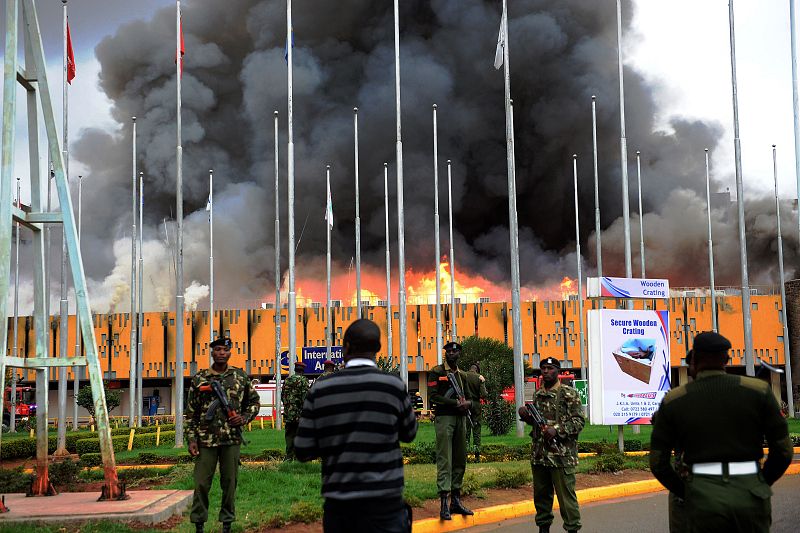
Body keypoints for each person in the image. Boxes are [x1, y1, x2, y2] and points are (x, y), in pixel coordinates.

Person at [650, 331, 793, 533]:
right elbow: (784, 451)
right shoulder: (758, 391)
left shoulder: (675, 400)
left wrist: (688, 492)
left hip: (701, 498)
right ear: (726, 359)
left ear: (695, 360)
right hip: (750, 494)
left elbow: (657, 462)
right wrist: (758, 483)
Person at [294, 319, 418, 533]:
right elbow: (410, 433)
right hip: (386, 505)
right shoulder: (393, 386)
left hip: (340, 509)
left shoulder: (321, 388)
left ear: (346, 347)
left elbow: (303, 449)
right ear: (378, 348)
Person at [186, 337, 260, 533]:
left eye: (224, 350)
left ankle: (227, 522)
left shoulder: (240, 376)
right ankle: (199, 523)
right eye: (217, 349)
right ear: (211, 353)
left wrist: (243, 418)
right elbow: (191, 412)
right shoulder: (200, 379)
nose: (221, 353)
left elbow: (254, 403)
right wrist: (192, 439)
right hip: (205, 440)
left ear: (230, 353)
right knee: (201, 483)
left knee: (229, 483)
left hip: (231, 439)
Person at [518, 357, 584, 533]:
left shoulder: (568, 394)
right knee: (541, 498)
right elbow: (539, 424)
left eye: (550, 368)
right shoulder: (538, 395)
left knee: (566, 499)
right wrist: (527, 417)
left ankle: (572, 529)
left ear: (558, 372)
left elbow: (578, 422)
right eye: (543, 369)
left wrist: (557, 430)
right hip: (540, 455)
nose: (546, 372)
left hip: (561, 456)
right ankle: (543, 528)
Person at [428, 341, 474, 520]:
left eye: (455, 351)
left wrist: (467, 403)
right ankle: (443, 504)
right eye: (449, 351)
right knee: (445, 459)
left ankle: (455, 501)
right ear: (445, 353)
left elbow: (470, 397)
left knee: (460, 459)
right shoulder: (437, 372)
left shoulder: (462, 375)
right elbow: (433, 396)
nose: (452, 354)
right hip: (444, 418)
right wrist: (454, 403)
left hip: (461, 419)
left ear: (459, 354)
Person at [282, 360, 309, 461]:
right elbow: (305, 398)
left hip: (288, 413)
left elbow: (282, 396)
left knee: (289, 435)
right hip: (300, 415)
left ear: (294, 369)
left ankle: (289, 457)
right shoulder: (303, 381)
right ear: (303, 371)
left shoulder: (287, 380)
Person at [465, 362, 488, 462]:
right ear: (477, 369)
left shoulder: (464, 375)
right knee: (477, 431)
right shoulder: (479, 377)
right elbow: (483, 395)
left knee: (465, 432)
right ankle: (477, 456)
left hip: (465, 405)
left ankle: (464, 456)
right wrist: (483, 382)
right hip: (476, 406)